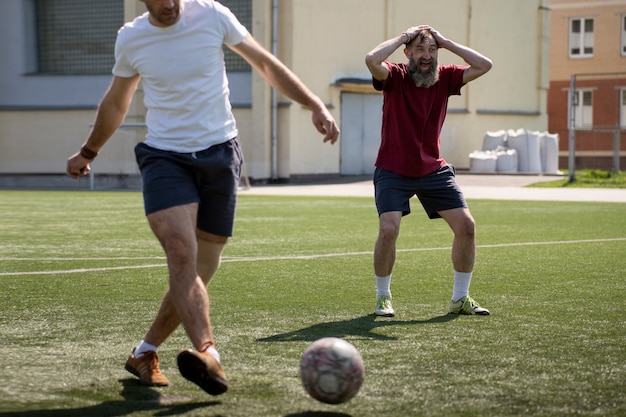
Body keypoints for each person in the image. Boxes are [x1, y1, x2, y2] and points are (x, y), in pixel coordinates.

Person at [66, 0, 338, 395]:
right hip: (164, 158)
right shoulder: (132, 37)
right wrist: (88, 151)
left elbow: (264, 63)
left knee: (200, 269)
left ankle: (144, 351)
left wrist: (312, 102)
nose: (170, 3)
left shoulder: (212, 14)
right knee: (181, 253)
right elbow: (118, 100)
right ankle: (209, 353)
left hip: (220, 155)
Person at [364, 25, 492, 318]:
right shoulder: (394, 75)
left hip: (433, 169)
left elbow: (484, 65)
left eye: (432, 49)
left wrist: (446, 41)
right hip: (393, 168)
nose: (427, 56)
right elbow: (372, 60)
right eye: (420, 49)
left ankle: (460, 298)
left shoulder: (445, 77)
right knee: (388, 230)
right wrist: (402, 37)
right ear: (408, 53)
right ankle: (383, 298)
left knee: (467, 227)